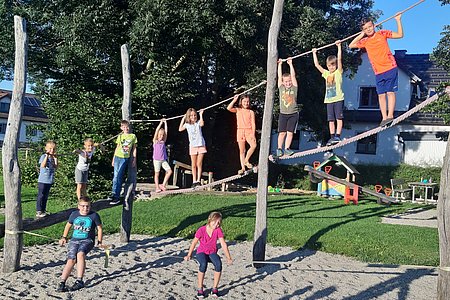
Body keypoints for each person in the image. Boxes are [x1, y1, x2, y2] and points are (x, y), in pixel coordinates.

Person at [349, 13, 403, 127]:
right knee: (381, 95)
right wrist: (361, 34)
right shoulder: (365, 41)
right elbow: (351, 45)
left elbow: (400, 35)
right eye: (365, 28)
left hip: (390, 67)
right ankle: (384, 118)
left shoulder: (382, 33)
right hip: (378, 72)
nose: (368, 29)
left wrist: (398, 20)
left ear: (374, 25)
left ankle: (390, 116)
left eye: (370, 26)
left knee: (390, 92)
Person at [56, 196, 103, 292]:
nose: (85, 208)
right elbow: (68, 225)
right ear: (78, 206)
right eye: (83, 206)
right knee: (71, 259)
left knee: (80, 254)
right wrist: (64, 237)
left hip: (87, 240)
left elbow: (99, 228)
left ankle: (79, 280)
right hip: (74, 240)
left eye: (87, 206)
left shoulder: (94, 216)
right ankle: (62, 282)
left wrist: (99, 241)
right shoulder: (74, 214)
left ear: (90, 206)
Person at [184, 211, 232, 299]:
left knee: (218, 264)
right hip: (201, 252)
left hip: (212, 252)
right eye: (215, 222)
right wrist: (189, 254)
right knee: (203, 264)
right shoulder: (201, 230)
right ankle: (200, 289)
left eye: (219, 223)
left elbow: (223, 244)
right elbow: (194, 242)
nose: (217, 224)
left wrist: (228, 257)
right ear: (210, 220)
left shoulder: (218, 230)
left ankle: (215, 289)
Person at [312, 41, 344, 146]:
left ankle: (338, 136)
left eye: (333, 65)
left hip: (338, 99)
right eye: (329, 65)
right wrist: (314, 53)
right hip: (329, 100)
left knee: (338, 118)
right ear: (327, 66)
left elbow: (339, 59)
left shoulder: (338, 72)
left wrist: (339, 47)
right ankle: (332, 137)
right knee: (330, 120)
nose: (331, 67)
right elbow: (316, 65)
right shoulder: (326, 74)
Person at [109, 120, 137, 205]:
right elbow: (117, 147)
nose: (126, 129)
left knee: (119, 176)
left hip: (125, 158)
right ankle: (114, 194)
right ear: (121, 128)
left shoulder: (132, 136)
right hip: (118, 156)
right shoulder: (120, 136)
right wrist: (113, 158)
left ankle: (116, 196)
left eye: (127, 127)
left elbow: (134, 148)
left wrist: (134, 159)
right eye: (124, 127)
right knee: (115, 176)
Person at [227, 94, 257, 174]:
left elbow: (253, 123)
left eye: (247, 102)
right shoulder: (238, 110)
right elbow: (228, 108)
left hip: (249, 131)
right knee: (242, 151)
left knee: (253, 145)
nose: (246, 103)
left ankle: (246, 160)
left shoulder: (251, 112)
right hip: (240, 131)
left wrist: (253, 134)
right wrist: (234, 100)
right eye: (244, 101)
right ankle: (243, 168)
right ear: (241, 102)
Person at [276, 57, 299, 157]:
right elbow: (279, 76)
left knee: (290, 133)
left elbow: (293, 76)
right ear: (283, 82)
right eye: (286, 81)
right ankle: (279, 148)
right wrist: (280, 65)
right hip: (283, 114)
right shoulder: (281, 88)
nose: (288, 83)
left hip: (293, 114)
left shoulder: (294, 88)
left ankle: (287, 148)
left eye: (289, 81)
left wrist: (290, 64)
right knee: (282, 133)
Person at [178, 108, 206, 188]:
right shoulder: (187, 125)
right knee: (193, 165)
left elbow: (202, 124)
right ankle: (194, 181)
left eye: (194, 115)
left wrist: (201, 114)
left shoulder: (198, 123)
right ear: (189, 117)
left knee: (199, 164)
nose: (193, 117)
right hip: (193, 146)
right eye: (191, 116)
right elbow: (180, 129)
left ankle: (198, 180)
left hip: (201, 145)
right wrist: (183, 118)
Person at [36, 140, 58, 218]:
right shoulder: (43, 156)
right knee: (41, 195)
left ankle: (43, 210)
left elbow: (56, 167)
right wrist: (46, 156)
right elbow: (43, 165)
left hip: (49, 180)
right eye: (50, 149)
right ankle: (38, 210)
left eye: (54, 149)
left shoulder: (52, 158)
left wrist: (55, 158)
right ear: (46, 149)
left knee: (45, 196)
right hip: (42, 180)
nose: (52, 150)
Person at [153, 119, 173, 192]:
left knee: (170, 171)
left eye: (162, 135)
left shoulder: (163, 142)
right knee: (157, 174)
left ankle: (163, 185)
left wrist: (165, 123)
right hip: (157, 160)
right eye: (160, 135)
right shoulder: (155, 141)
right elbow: (156, 131)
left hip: (163, 160)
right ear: (158, 135)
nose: (161, 136)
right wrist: (160, 123)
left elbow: (166, 132)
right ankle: (157, 187)